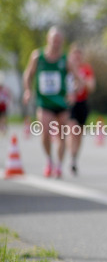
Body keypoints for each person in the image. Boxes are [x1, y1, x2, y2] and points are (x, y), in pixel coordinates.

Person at [21, 27, 74, 178]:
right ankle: (49, 160)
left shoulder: (65, 59)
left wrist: (72, 92)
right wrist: (28, 90)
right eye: (54, 40)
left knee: (62, 136)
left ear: (62, 42)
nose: (56, 43)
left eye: (59, 41)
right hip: (44, 102)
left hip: (62, 103)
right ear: (48, 40)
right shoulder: (37, 57)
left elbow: (76, 78)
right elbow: (28, 75)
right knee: (45, 132)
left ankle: (59, 165)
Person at [66, 43, 96, 175]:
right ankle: (71, 155)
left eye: (79, 55)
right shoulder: (66, 68)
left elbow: (91, 86)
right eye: (75, 54)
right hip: (69, 103)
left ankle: (74, 158)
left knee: (79, 133)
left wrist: (81, 80)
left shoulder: (86, 69)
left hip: (82, 103)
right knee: (72, 129)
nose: (77, 57)